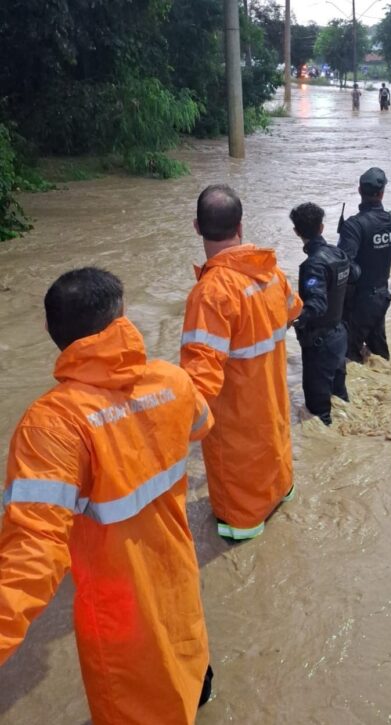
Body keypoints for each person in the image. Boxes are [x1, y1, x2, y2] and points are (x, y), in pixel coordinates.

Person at [0, 268, 214, 724]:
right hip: (176, 564)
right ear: (123, 317)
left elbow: (33, 550)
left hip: (117, 604)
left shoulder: (52, 425)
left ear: (49, 329)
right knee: (185, 652)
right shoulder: (172, 381)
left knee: (130, 700)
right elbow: (202, 425)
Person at [181, 184, 303, 541]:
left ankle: (241, 528)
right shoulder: (270, 272)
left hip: (237, 434)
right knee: (275, 452)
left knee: (239, 523)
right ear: (240, 226)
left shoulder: (210, 294)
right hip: (273, 411)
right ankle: (281, 492)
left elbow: (199, 382)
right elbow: (294, 310)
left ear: (197, 228)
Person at [291, 202, 350, 425]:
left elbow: (317, 304)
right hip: (339, 335)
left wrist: (292, 319)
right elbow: (355, 274)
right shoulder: (339, 254)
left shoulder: (313, 265)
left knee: (317, 414)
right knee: (340, 397)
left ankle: (331, 444)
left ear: (296, 232)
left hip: (320, 344)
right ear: (322, 228)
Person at [338, 167, 391, 361]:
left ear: (359, 190)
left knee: (348, 356)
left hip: (360, 300)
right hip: (382, 296)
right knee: (379, 353)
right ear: (382, 193)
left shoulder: (354, 225)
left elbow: (344, 266)